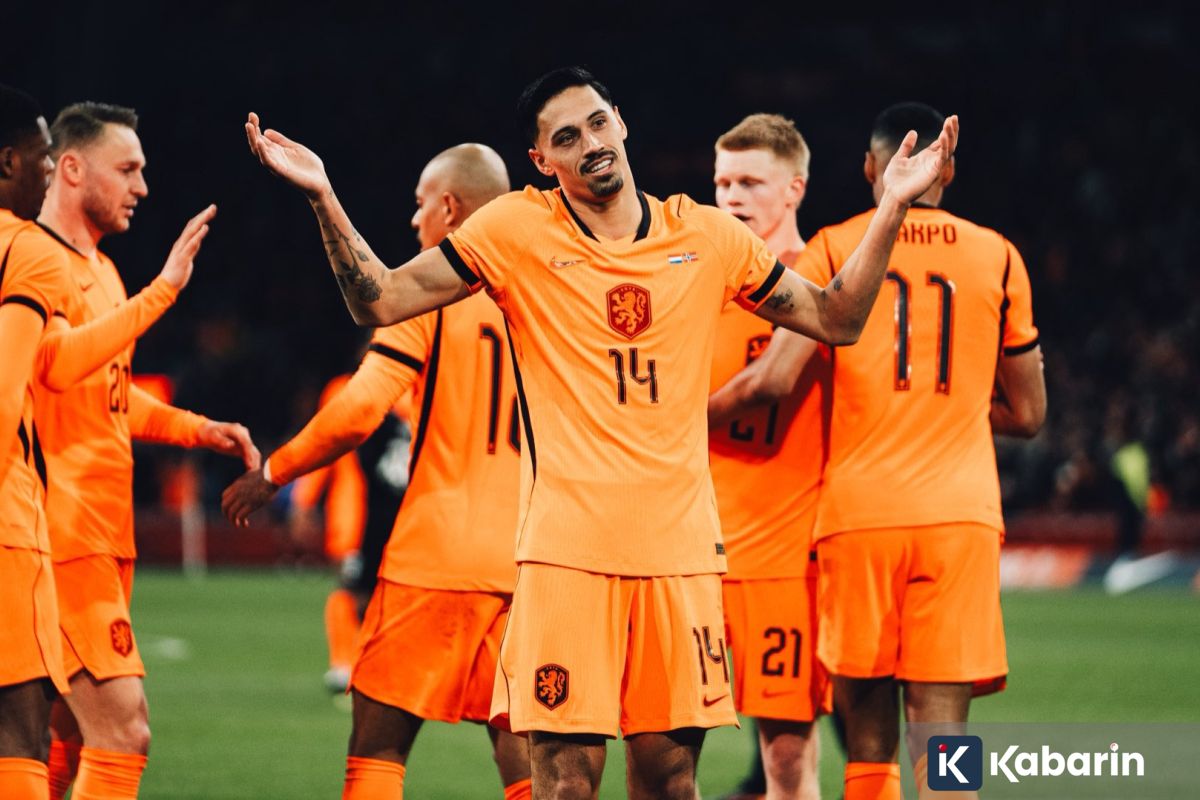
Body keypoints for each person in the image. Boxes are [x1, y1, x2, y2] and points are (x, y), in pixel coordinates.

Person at [244, 67, 957, 799]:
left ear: (620, 121)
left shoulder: (707, 236)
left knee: (673, 778)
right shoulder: (515, 230)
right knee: (566, 781)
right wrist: (323, 196)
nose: (589, 144)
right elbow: (383, 299)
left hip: (680, 557)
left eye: (595, 123)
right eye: (565, 137)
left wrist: (893, 207)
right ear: (540, 161)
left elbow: (837, 318)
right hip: (566, 559)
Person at [709, 102, 1045, 800]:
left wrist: (671, 419)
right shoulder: (999, 255)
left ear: (870, 167)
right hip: (960, 518)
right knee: (944, 737)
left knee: (868, 742)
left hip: (859, 518)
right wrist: (953, 405)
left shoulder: (835, 247)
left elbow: (773, 380)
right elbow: (1029, 414)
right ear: (948, 170)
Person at [223, 143, 533, 799]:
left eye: (421, 205)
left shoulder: (430, 292)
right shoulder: (551, 296)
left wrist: (274, 472)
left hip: (436, 556)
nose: (415, 219)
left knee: (377, 747)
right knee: (526, 758)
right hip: (528, 563)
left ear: (450, 209)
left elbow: (360, 409)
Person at [32, 102, 261, 800]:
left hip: (104, 534)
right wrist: (163, 293)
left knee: (64, 734)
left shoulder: (101, 271)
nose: (142, 187)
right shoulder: (35, 261)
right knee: (124, 733)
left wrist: (197, 429)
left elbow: (108, 393)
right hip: (62, 534)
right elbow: (55, 365)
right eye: (128, 169)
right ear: (73, 168)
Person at [708, 113, 830, 800]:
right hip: (689, 550)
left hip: (783, 557)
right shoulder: (694, 279)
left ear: (794, 189)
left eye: (750, 182)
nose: (732, 196)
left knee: (785, 757)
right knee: (662, 749)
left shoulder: (823, 282)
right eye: (723, 181)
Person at [0, 81, 70, 800]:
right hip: (6, 527)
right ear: (7, 161)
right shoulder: (28, 251)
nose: (48, 169)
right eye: (43, 155)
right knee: (20, 729)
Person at [286, 370, 412, 693]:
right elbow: (325, 443)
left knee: (393, 591)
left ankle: (375, 661)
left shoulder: (421, 389)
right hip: (356, 513)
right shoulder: (345, 389)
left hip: (409, 515)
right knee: (351, 586)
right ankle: (343, 662)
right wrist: (303, 500)